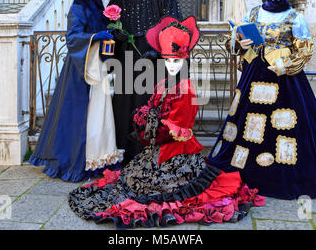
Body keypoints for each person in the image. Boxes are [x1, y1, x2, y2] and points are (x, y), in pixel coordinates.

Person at [68, 16, 265, 229]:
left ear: (184, 60)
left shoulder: (187, 90)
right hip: (161, 149)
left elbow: (175, 129)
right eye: (168, 61)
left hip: (178, 154)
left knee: (149, 188)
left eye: (176, 61)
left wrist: (150, 124)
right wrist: (148, 119)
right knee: (133, 178)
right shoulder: (164, 83)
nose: (172, 66)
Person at [207, 0, 316, 200]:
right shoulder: (253, 13)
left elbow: (304, 51)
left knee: (291, 127)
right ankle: (249, 171)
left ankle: (284, 174)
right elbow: (235, 41)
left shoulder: (295, 17)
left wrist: (285, 66)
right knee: (246, 126)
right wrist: (239, 44)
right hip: (254, 75)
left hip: (286, 82)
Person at [28, 0, 124, 182]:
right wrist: (94, 37)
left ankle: (99, 156)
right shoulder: (78, 6)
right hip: (80, 66)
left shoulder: (100, 7)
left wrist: (110, 32)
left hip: (97, 63)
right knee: (81, 111)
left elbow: (102, 33)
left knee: (99, 108)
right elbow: (72, 36)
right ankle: (79, 159)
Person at [107, 0, 183, 165]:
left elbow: (174, 24)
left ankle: (153, 150)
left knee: (150, 100)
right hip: (126, 58)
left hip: (153, 57)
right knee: (126, 102)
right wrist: (116, 35)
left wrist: (159, 50)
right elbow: (110, 25)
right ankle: (126, 151)